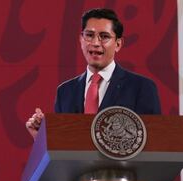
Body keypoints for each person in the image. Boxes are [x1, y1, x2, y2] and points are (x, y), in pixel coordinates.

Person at [26, 8, 161, 139]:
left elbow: (153, 142)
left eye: (104, 36)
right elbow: (62, 149)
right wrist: (42, 139)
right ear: (81, 39)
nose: (95, 43)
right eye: (89, 35)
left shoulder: (142, 87)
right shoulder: (65, 91)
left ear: (118, 44)